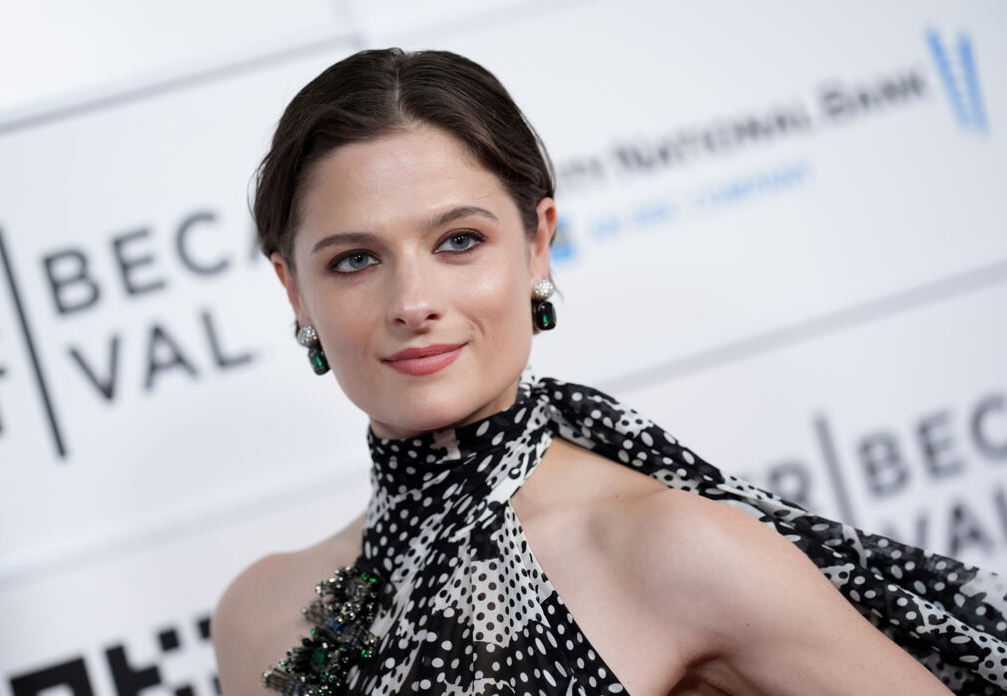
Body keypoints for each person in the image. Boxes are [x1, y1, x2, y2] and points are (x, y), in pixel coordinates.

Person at [212, 48, 1006, 696]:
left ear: (536, 245)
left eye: (459, 240)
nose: (413, 301)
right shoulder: (261, 615)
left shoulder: (670, 548)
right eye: (355, 259)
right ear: (295, 291)